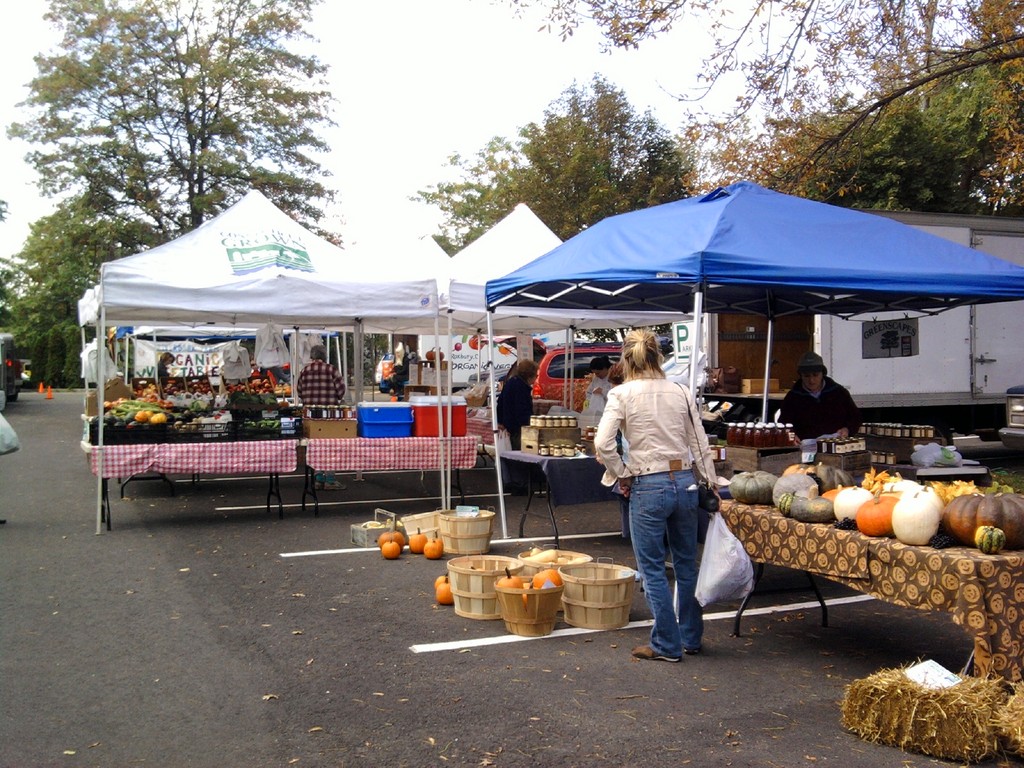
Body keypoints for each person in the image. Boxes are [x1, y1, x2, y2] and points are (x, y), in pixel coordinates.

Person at [594, 329, 719, 663]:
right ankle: (691, 637)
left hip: (648, 483)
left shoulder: (621, 394)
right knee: (685, 564)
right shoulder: (680, 391)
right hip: (685, 482)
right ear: (658, 357)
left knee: (652, 569)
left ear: (626, 359)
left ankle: (666, 643)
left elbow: (603, 444)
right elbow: (699, 443)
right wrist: (711, 481)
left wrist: (622, 472)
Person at [779, 351, 861, 441]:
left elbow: (855, 417)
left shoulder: (838, 392)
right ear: (800, 375)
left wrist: (847, 429)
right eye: (807, 376)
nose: (811, 380)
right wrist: (791, 435)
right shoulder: (793, 397)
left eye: (815, 375)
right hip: (805, 447)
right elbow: (784, 424)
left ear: (822, 373)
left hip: (836, 445)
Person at [296, 344, 347, 490]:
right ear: (324, 356)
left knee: (315, 446)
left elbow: (299, 391)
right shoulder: (332, 370)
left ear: (312, 356)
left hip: (311, 416)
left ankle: (318, 478)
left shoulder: (304, 371)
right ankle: (330, 479)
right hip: (329, 415)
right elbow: (341, 390)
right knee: (330, 446)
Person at [496, 358, 539, 495]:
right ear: (530, 375)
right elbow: (522, 410)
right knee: (521, 455)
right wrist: (530, 424)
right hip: (519, 426)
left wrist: (501, 421)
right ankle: (520, 485)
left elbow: (500, 403)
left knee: (513, 455)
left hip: (509, 424)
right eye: (536, 375)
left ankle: (513, 483)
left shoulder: (511, 383)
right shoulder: (521, 388)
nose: (536, 378)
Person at [582, 355, 613, 420]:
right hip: (596, 412)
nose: (597, 375)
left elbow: (616, 395)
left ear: (605, 369)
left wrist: (603, 391)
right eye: (595, 373)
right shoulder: (596, 379)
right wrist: (589, 401)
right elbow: (589, 392)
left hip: (610, 411)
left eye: (598, 373)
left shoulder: (613, 377)